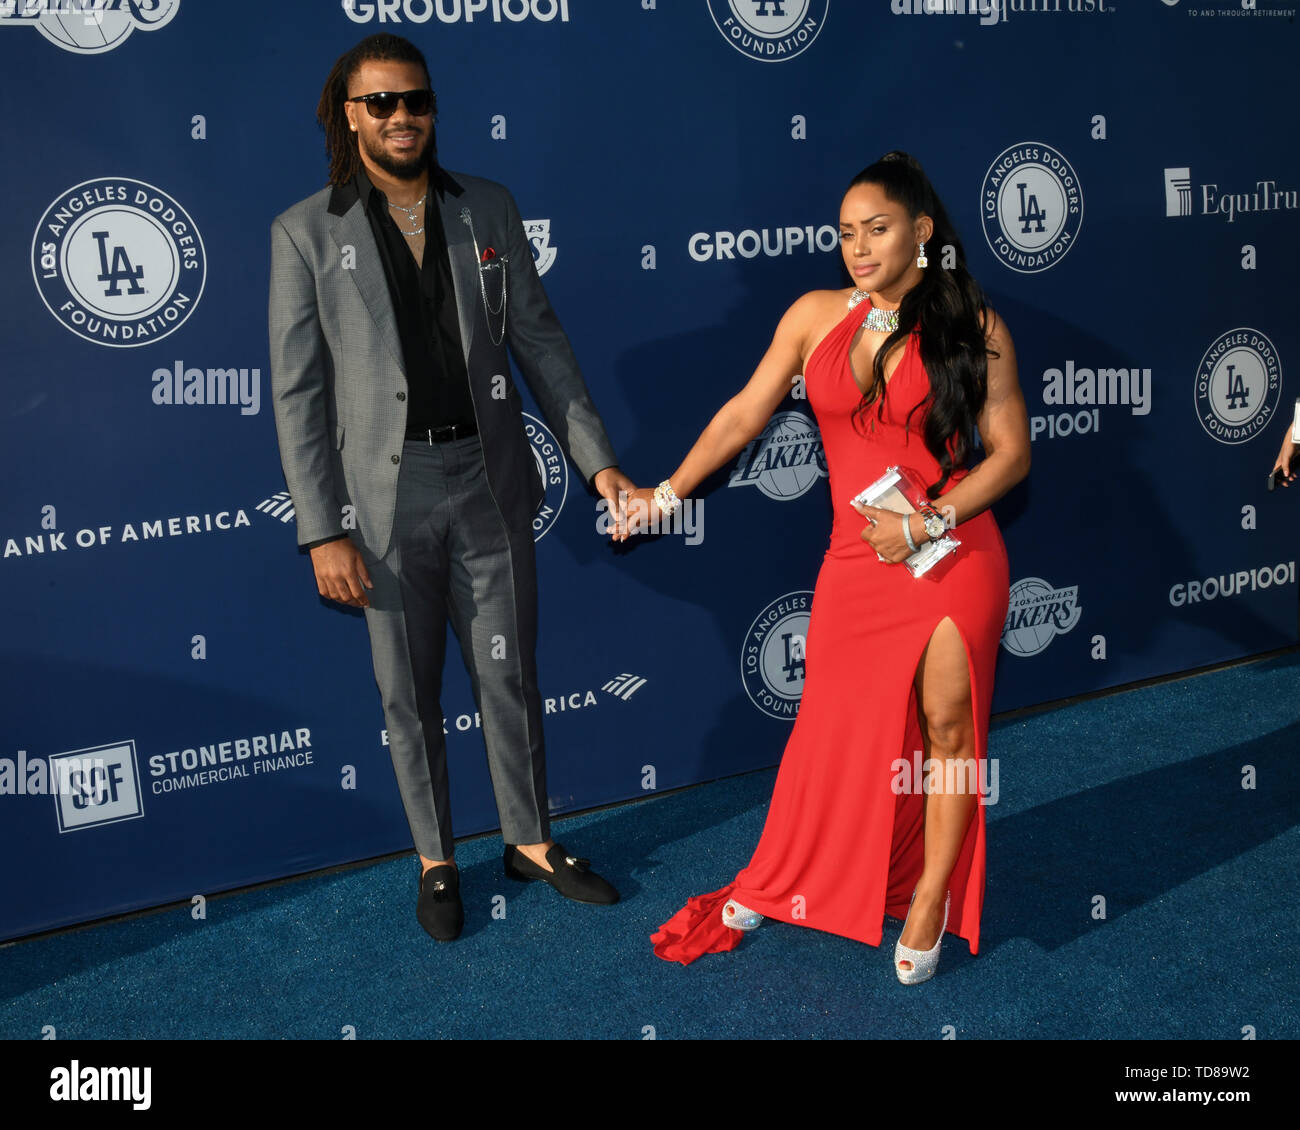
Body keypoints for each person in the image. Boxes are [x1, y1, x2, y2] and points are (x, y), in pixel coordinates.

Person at [268, 34, 635, 943]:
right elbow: (298, 393)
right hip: (385, 502)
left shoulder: (489, 210)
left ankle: (530, 840)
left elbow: (542, 345)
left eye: (417, 101)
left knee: (509, 675)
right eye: (382, 103)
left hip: (488, 479)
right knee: (408, 690)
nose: (402, 117)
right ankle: (436, 860)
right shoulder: (304, 233)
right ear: (348, 115)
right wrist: (322, 530)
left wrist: (597, 461)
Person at [643, 152, 1030, 981]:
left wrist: (929, 518)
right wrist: (667, 492)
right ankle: (787, 877)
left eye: (877, 230)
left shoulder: (974, 325)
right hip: (857, 564)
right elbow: (745, 413)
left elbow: (1011, 456)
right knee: (832, 733)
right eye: (847, 233)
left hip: (952, 555)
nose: (858, 247)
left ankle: (928, 899)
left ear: (922, 232)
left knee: (949, 734)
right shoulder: (816, 315)